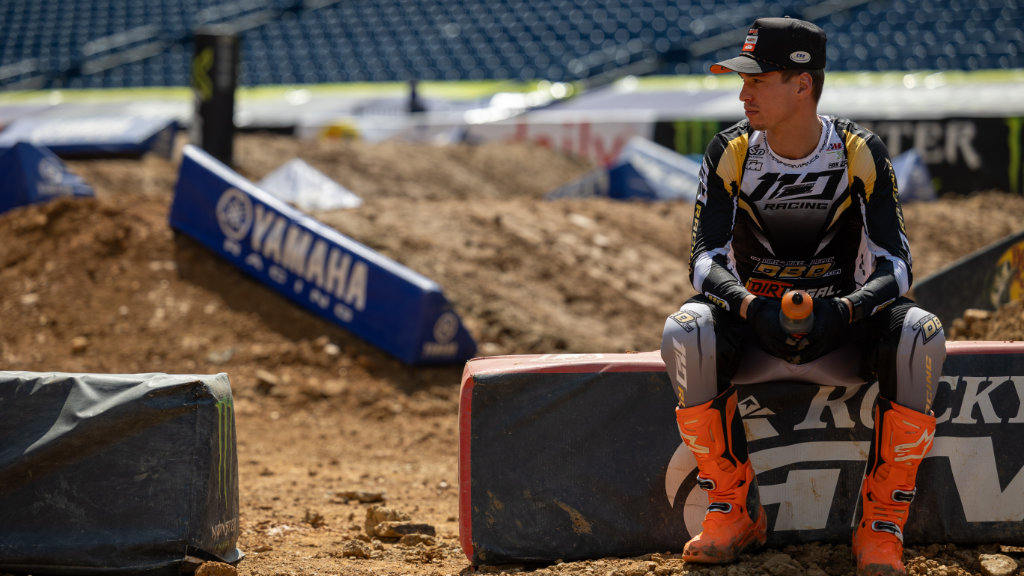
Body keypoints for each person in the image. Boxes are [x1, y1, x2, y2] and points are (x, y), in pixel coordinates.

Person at [659, 17, 946, 576]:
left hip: (842, 329)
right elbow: (704, 258)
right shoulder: (731, 150)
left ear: (801, 84)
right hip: (755, 328)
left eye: (757, 79)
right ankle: (732, 509)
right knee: (684, 329)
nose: (743, 93)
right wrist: (750, 307)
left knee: (919, 332)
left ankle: (880, 526)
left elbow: (897, 265)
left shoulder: (860, 151)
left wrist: (845, 310)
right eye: (742, 81)